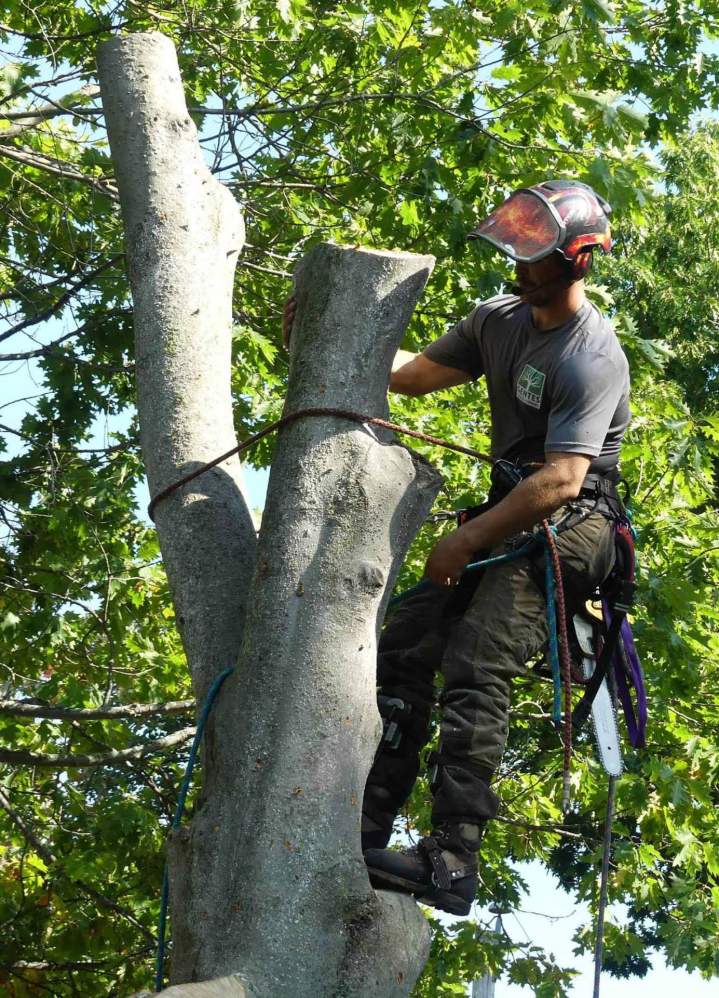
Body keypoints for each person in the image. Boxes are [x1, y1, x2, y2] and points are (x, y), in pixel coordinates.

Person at [284, 180, 630, 917]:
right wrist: (322, 336)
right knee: (405, 645)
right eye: (517, 251)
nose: (520, 266)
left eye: (535, 257)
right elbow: (410, 376)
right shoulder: (496, 320)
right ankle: (363, 825)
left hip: (570, 524)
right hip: (512, 509)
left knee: (477, 663)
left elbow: (564, 480)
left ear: (577, 262)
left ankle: (449, 860)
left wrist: (465, 537)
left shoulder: (589, 356)